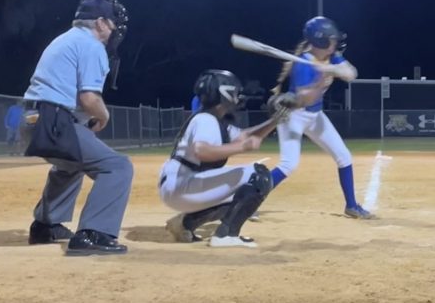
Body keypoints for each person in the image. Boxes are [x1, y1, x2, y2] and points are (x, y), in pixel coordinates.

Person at [22, 0, 132, 255]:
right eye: (114, 24)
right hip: (51, 120)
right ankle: (93, 233)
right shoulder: (91, 45)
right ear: (101, 23)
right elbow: (89, 98)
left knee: (71, 165)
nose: (116, 30)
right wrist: (103, 116)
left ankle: (46, 226)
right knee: (117, 167)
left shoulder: (65, 39)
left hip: (31, 120)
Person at [267, 16, 374, 219]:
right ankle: (250, 199)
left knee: (344, 156)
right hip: (293, 116)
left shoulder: (330, 57)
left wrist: (330, 69)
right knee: (289, 164)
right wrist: (319, 80)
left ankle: (351, 205)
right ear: (322, 41)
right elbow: (305, 98)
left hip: (315, 117)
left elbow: (351, 73)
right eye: (332, 39)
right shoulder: (303, 65)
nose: (335, 43)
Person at [160, 70, 278, 248]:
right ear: (224, 93)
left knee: (240, 195)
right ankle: (226, 235)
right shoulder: (206, 120)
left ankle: (184, 224)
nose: (238, 96)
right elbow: (202, 151)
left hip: (181, 185)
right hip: (182, 185)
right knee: (258, 176)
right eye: (235, 92)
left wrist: (276, 120)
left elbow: (245, 135)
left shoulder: (213, 120)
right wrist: (242, 148)